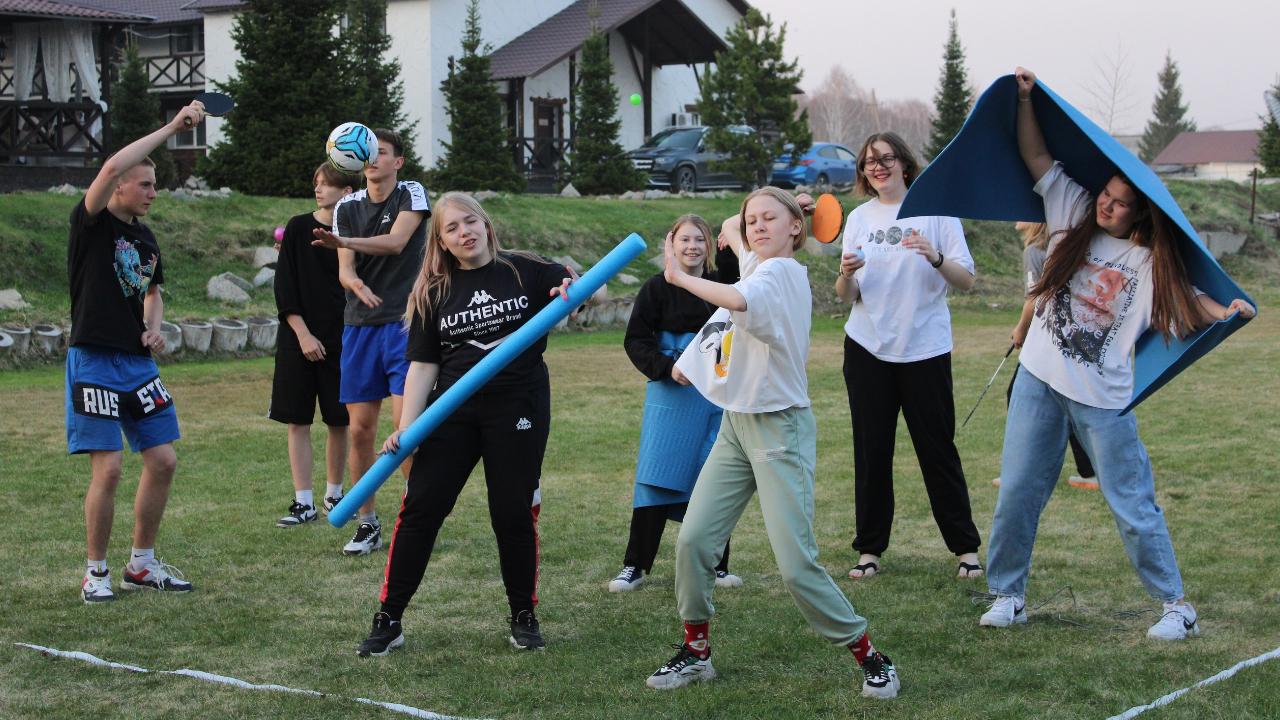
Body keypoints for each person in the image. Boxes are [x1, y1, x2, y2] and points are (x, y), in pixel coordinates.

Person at [980, 68, 1256, 639]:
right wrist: (1027, 100)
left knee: (1132, 506)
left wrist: (1230, 313)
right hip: (1038, 376)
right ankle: (1007, 594)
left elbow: (1193, 302)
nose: (1108, 206)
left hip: (1104, 399)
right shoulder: (1070, 207)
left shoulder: (1152, 262)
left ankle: (1176, 607)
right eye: (1106, 195)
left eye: (1122, 203)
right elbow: (1035, 155)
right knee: (1017, 494)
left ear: (1141, 211)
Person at [644, 187, 900, 700]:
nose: (757, 225)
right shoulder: (760, 261)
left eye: (770, 220)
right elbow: (733, 230)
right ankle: (696, 653)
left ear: (795, 231)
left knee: (796, 565)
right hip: (737, 425)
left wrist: (681, 278)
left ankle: (871, 656)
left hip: (779, 428)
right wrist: (777, 206)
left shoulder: (781, 273)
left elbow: (738, 298)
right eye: (752, 219)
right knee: (695, 540)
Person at [354, 192, 606, 657]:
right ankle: (389, 618)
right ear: (443, 242)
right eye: (452, 228)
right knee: (421, 508)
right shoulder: (432, 290)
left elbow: (595, 288)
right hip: (452, 409)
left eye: (469, 222)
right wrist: (407, 429)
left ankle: (523, 615)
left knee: (512, 509)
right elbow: (423, 367)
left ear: (486, 224)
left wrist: (576, 290)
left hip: (518, 404)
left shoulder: (526, 268)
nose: (463, 232)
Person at [70, 100, 206, 603]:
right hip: (94, 358)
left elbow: (152, 292)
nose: (154, 192)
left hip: (136, 362)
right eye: (145, 184)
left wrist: (153, 327)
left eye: (155, 185)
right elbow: (108, 165)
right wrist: (173, 127)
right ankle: (96, 572)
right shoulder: (91, 224)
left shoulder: (147, 239)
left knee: (164, 460)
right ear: (120, 185)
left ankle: (142, 565)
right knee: (108, 469)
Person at [835, 131, 984, 580]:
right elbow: (848, 295)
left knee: (937, 451)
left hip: (925, 350)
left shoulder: (937, 212)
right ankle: (869, 551)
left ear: (904, 163)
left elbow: (967, 281)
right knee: (872, 452)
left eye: (885, 158)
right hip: (867, 349)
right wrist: (844, 274)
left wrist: (935, 256)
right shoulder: (859, 218)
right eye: (868, 162)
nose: (877, 167)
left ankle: (966, 551)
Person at [312, 129, 429, 556]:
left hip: (405, 324)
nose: (373, 158)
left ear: (397, 162)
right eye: (368, 152)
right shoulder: (346, 205)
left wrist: (344, 242)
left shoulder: (412, 194)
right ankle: (367, 523)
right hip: (359, 325)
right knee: (361, 429)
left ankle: (418, 518)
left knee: (405, 432)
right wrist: (354, 280)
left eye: (382, 152)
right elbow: (345, 269)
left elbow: (397, 243)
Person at [611, 214, 742, 593]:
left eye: (699, 240)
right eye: (684, 239)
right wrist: (667, 368)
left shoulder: (723, 284)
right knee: (656, 475)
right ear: (671, 243)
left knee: (712, 477)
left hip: (715, 391)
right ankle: (634, 566)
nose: (692, 247)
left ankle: (717, 565)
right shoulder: (655, 288)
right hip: (670, 390)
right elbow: (636, 339)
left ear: (710, 246)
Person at [269, 163, 362, 527]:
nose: (319, 190)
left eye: (327, 184)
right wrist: (303, 333)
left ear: (347, 191)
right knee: (297, 421)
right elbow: (284, 286)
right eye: (317, 184)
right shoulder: (296, 227)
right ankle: (303, 502)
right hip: (297, 340)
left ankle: (334, 496)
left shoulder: (357, 232)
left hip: (344, 340)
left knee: (340, 422)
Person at [992, 222, 1097, 490]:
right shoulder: (1062, 245)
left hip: (1046, 337)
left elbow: (1033, 298)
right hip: (1069, 335)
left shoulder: (1033, 251)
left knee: (1018, 395)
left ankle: (1018, 472)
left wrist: (1020, 329)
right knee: (1067, 399)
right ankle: (1091, 472)